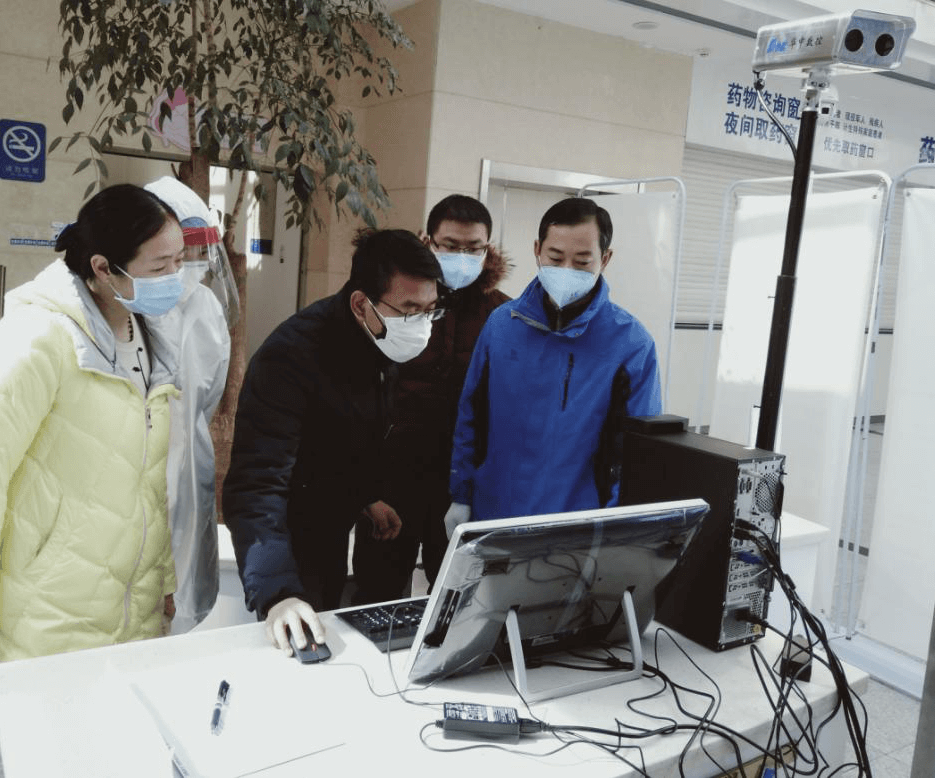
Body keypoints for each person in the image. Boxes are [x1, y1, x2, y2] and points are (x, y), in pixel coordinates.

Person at [0, 184, 186, 712]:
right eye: (159, 266)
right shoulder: (35, 339)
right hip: (46, 608)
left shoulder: (148, 337)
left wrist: (161, 580)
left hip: (130, 607)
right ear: (102, 268)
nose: (175, 278)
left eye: (179, 262)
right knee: (54, 738)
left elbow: (146, 480)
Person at [222, 229, 443, 654]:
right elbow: (255, 485)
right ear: (361, 304)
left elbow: (343, 434)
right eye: (409, 310)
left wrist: (365, 495)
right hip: (286, 537)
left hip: (331, 526)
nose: (421, 324)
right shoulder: (290, 357)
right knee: (301, 648)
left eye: (430, 310)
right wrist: (277, 592)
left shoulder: (380, 340)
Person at [446, 197, 662, 533]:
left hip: (576, 529)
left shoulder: (631, 344)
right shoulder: (502, 325)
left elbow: (636, 454)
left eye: (582, 262)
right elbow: (471, 415)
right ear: (537, 250)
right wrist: (461, 494)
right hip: (494, 514)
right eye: (556, 258)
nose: (566, 271)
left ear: (605, 259)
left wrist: (617, 529)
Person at [350, 195, 511, 602]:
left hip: (460, 487)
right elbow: (358, 393)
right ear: (428, 241)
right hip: (393, 478)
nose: (462, 258)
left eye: (473, 248)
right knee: (378, 594)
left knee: (457, 601)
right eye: (450, 246)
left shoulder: (503, 316)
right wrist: (366, 487)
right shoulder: (395, 301)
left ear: (488, 249)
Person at [143, 176, 232, 634]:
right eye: (173, 257)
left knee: (184, 583)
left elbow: (211, 389)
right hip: (134, 464)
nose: (188, 266)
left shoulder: (206, 306)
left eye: (195, 254)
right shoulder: (126, 305)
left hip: (190, 457)